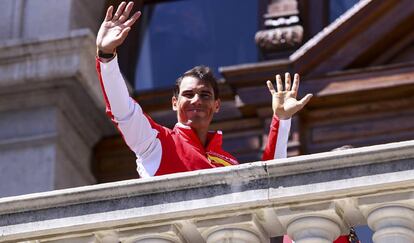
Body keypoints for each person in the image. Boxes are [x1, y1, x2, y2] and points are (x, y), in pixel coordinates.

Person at [94, 2, 349, 243]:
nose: (197, 100)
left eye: (205, 95)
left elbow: (268, 184)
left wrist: (281, 120)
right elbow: (122, 111)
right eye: (188, 94)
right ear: (174, 103)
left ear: (216, 105)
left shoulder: (228, 162)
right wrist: (106, 56)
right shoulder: (156, 144)